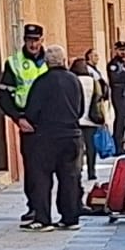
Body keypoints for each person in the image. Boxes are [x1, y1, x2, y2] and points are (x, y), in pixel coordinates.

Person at [22, 46, 87, 231]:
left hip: (46, 137)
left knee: (42, 178)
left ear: (46, 62)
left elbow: (32, 111)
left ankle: (43, 219)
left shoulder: (41, 82)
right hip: (72, 135)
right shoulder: (74, 80)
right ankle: (70, 218)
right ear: (64, 60)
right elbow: (81, 108)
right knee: (69, 178)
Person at [0, 22, 52, 223]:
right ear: (24, 41)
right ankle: (34, 207)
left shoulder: (51, 61)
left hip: (51, 123)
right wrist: (17, 118)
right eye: (30, 40)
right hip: (28, 122)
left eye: (36, 40)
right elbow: (3, 96)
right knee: (32, 168)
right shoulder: (14, 63)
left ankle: (61, 208)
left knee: (58, 168)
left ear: (42, 40)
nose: (33, 44)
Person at [71, 56, 104, 184]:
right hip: (91, 119)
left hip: (76, 120)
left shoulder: (73, 81)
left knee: (78, 148)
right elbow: (101, 97)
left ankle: (78, 170)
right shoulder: (93, 81)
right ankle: (92, 171)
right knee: (91, 147)